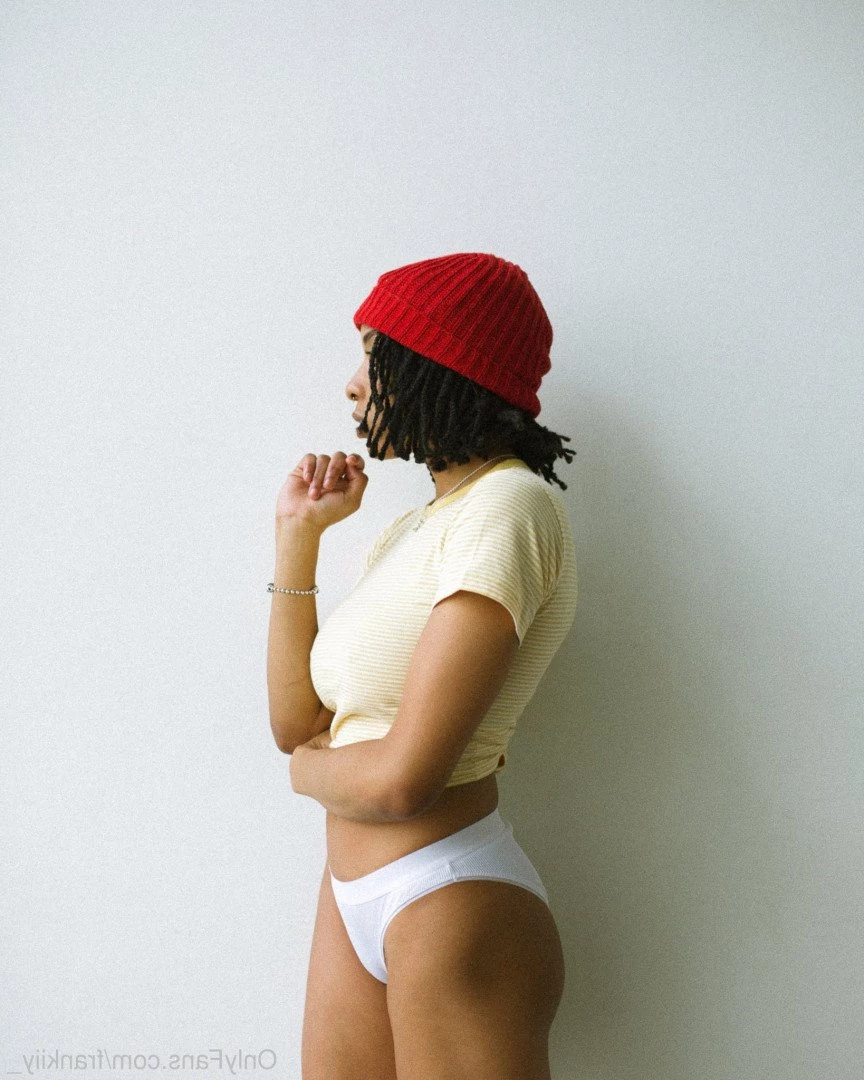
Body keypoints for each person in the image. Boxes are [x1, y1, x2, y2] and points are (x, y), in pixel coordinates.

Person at [267, 252, 579, 1079]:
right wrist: (298, 538)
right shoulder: (414, 531)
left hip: (447, 899)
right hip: (354, 899)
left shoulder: (511, 507)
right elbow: (298, 723)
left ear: (442, 365)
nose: (354, 386)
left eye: (375, 355)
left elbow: (403, 781)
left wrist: (308, 774)